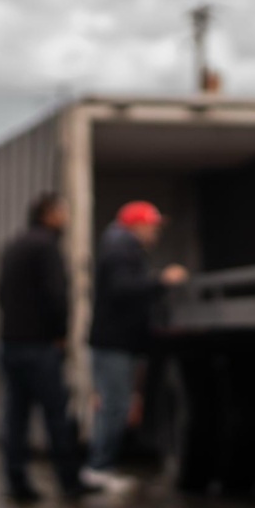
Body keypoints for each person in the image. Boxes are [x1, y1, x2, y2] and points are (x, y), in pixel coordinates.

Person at [0, 192, 88, 504]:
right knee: (56, 416)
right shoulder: (47, 246)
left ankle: (17, 482)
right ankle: (70, 482)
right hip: (39, 346)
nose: (67, 217)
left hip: (10, 343)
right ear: (48, 214)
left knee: (15, 416)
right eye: (63, 211)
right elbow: (57, 296)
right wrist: (60, 334)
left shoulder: (14, 245)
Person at [87, 200, 188, 477]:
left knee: (115, 406)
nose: (155, 232)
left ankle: (101, 466)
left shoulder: (121, 247)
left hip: (117, 342)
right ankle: (99, 468)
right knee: (115, 407)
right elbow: (122, 290)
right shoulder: (121, 249)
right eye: (152, 226)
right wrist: (161, 281)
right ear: (137, 225)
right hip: (114, 343)